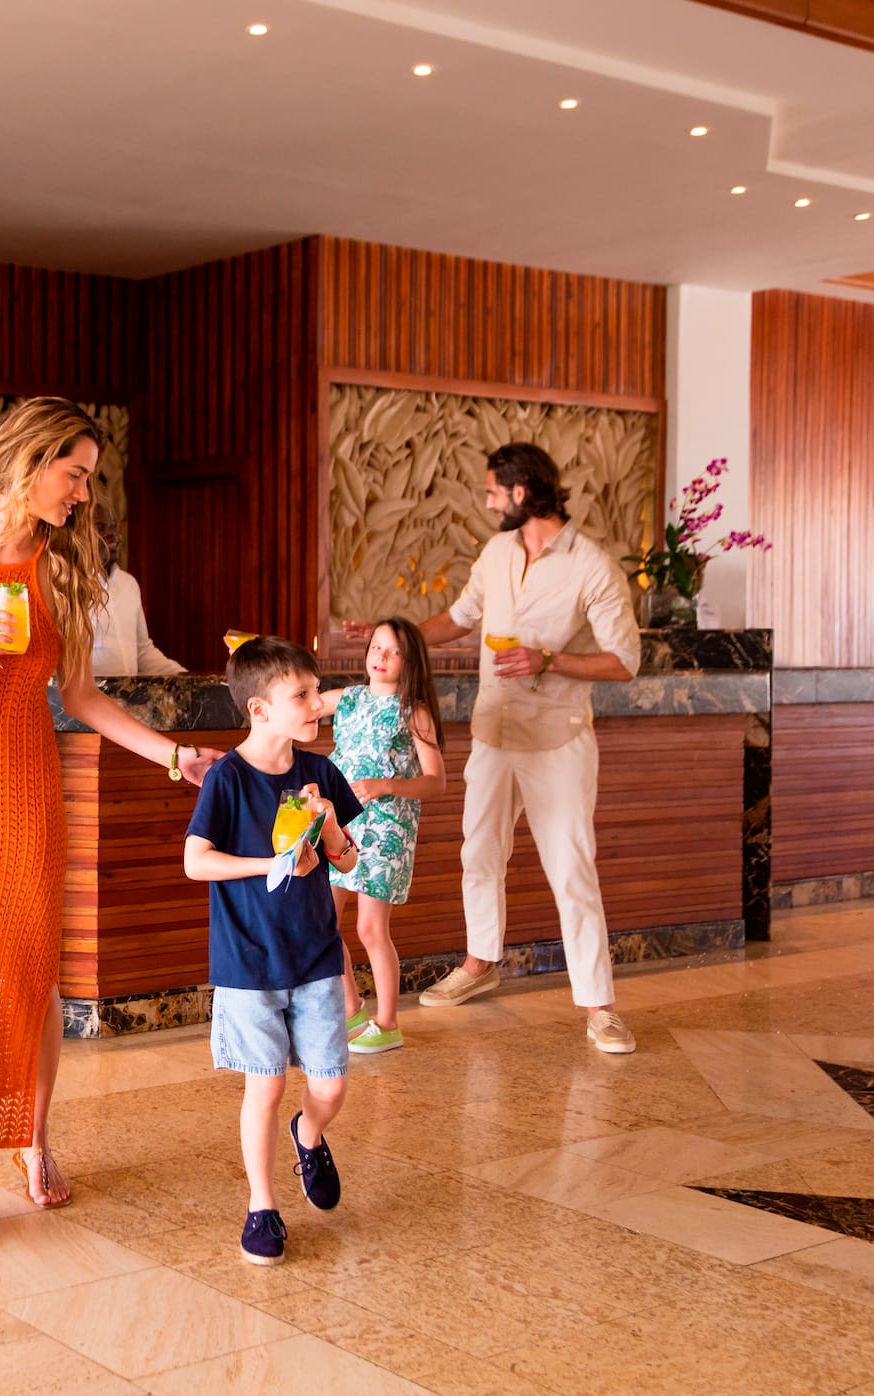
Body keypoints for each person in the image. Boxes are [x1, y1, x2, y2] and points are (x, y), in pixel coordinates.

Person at [0, 398, 222, 1260]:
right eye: (77, 475)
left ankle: (32, 1134)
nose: (84, 496)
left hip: (21, 785)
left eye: (90, 480)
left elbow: (84, 696)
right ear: (30, 461)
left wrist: (173, 758)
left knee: (27, 969)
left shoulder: (62, 566)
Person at [343, 441, 641, 1054]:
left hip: (557, 741)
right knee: (478, 853)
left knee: (571, 869)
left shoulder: (592, 566)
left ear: (522, 493)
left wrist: (550, 659)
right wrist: (389, 633)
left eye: (491, 492)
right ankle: (481, 964)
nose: (486, 502)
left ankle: (600, 1006)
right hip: (492, 733)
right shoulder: (498, 552)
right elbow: (456, 619)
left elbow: (625, 661)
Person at [183, 636, 363, 1267]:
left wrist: (331, 829)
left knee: (332, 1087)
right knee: (265, 1085)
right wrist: (273, 862)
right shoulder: (228, 779)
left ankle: (309, 1134)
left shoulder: (320, 772)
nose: (318, 703)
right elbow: (194, 861)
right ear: (260, 710)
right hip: (248, 963)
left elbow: (348, 860)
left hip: (314, 955)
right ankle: (263, 1206)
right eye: (303, 695)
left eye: (316, 691)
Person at [319, 616, 446, 1055]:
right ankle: (352, 1007)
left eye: (393, 651)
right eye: (376, 647)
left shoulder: (415, 712)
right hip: (342, 826)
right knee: (323, 923)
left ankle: (388, 1022)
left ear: (409, 662)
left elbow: (436, 781)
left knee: (371, 929)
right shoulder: (350, 699)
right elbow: (306, 703)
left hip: (387, 831)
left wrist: (385, 785)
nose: (381, 657)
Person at [89, 504, 184, 677]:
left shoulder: (129, 584)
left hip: (128, 700)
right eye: (101, 528)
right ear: (80, 536)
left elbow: (142, 651)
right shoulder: (71, 588)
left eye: (113, 527)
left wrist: (181, 675)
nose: (112, 534)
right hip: (88, 700)